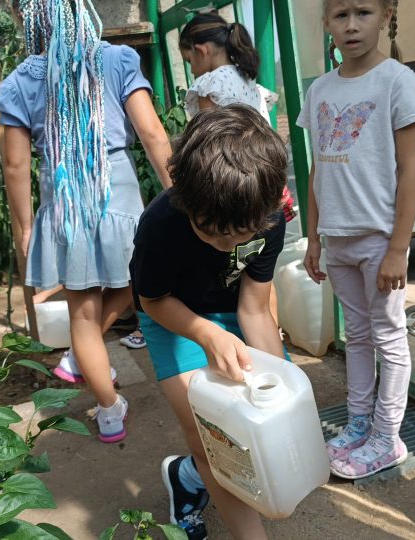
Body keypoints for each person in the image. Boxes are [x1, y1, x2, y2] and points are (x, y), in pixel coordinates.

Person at [0, 0, 172, 442]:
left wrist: (24, 228)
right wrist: (178, 192)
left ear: (28, 17)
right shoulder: (116, 59)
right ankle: (86, 351)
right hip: (120, 196)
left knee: (83, 313)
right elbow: (153, 134)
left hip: (64, 208)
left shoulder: (18, 83)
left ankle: (110, 410)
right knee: (141, 283)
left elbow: (15, 167)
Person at [130, 104, 287, 540]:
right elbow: (153, 299)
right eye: (211, 231)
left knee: (262, 420)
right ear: (184, 196)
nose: (226, 245)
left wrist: (285, 380)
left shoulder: (268, 220)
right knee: (213, 439)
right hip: (171, 315)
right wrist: (205, 333)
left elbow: (255, 309)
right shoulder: (161, 225)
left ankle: (187, 478)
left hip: (233, 309)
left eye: (239, 235)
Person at [299, 0, 415, 480]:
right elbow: (317, 168)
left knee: (389, 337)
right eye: (340, 15)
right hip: (337, 240)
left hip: (380, 240)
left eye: (363, 12)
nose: (352, 25)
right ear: (326, 22)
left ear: (386, 14)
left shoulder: (398, 81)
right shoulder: (319, 90)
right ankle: (359, 422)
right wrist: (313, 238)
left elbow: (411, 170)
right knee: (355, 335)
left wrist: (399, 247)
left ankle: (386, 436)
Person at [178, 11, 296, 325]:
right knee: (260, 273)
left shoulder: (209, 83)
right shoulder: (248, 80)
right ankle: (274, 335)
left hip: (231, 185)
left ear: (201, 50)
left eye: (189, 60)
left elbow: (206, 140)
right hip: (265, 184)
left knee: (228, 264)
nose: (192, 68)